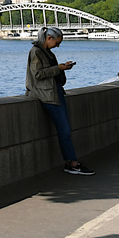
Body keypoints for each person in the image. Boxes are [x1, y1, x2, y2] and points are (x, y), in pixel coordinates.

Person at [25, 26, 95, 176]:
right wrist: (59, 68)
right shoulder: (36, 52)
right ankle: (73, 163)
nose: (58, 46)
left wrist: (61, 68)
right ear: (49, 38)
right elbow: (38, 74)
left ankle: (71, 162)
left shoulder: (47, 52)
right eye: (57, 42)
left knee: (66, 129)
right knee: (64, 130)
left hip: (55, 93)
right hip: (47, 95)